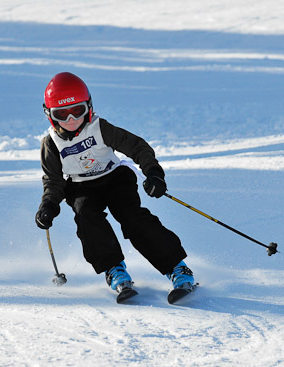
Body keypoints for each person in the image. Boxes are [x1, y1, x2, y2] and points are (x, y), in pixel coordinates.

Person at [35, 72, 195, 299]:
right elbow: (53, 180)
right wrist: (49, 204)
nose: (71, 120)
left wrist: (153, 173)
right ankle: (115, 270)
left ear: (88, 107)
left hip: (114, 179)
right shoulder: (51, 144)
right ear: (49, 115)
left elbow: (137, 147)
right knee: (86, 217)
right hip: (81, 187)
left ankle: (177, 269)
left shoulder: (99, 128)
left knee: (132, 217)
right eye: (61, 114)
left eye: (77, 111)